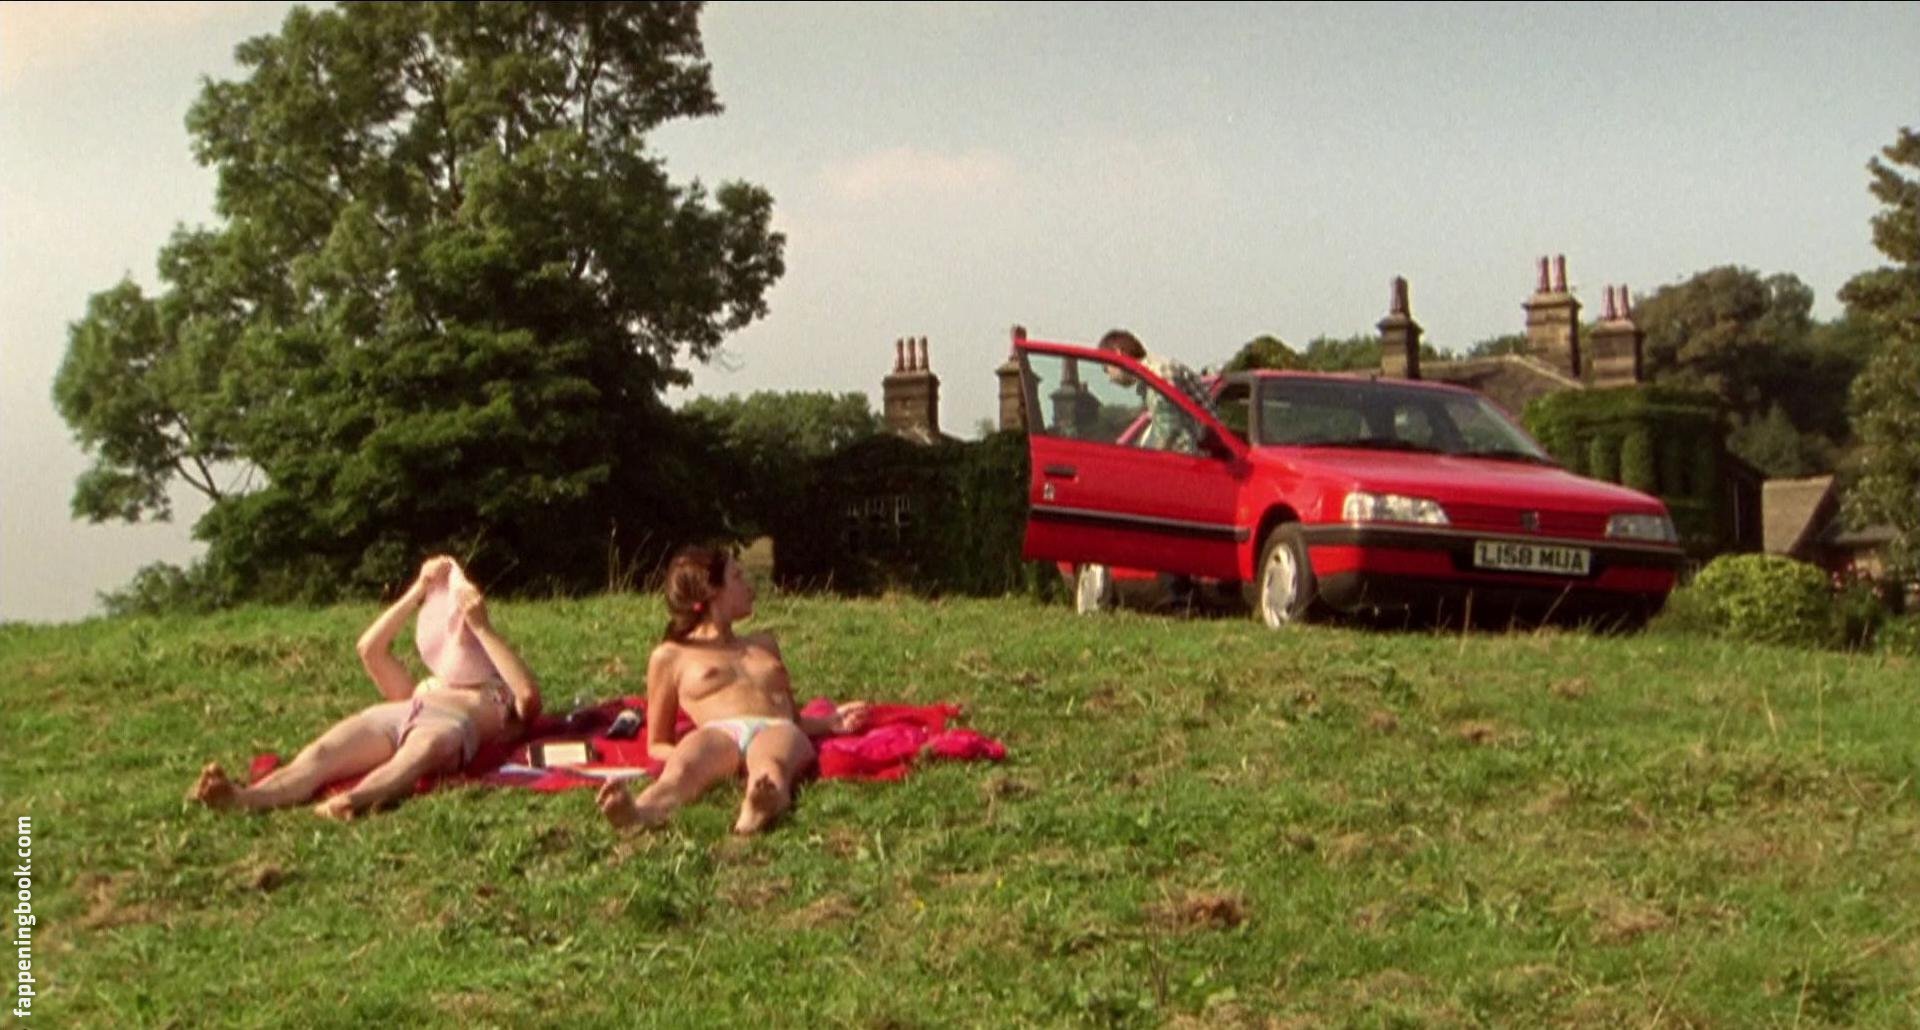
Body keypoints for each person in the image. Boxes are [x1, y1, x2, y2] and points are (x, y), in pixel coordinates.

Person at [188, 556, 542, 820]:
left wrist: (481, 626)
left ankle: (355, 800)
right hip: (395, 715)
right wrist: (418, 591)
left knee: (420, 752)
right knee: (320, 754)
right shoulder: (425, 685)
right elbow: (369, 649)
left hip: (448, 724)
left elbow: (529, 698)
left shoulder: (499, 692)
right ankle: (244, 798)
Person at [595, 545, 870, 835]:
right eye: (737, 576)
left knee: (771, 764)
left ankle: (758, 807)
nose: (749, 586)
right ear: (712, 590)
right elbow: (657, 742)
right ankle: (638, 812)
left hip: (775, 727)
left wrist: (830, 721)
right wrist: (695, 758)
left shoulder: (764, 644)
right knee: (681, 773)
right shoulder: (671, 655)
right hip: (718, 732)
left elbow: (795, 718)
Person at [1095, 328, 1222, 454]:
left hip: (1197, 455)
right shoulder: (1150, 375)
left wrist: (1152, 459)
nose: (1109, 378)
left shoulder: (1158, 374)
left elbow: (1169, 428)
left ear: (1118, 353)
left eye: (1106, 368)